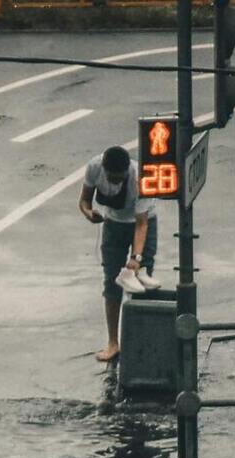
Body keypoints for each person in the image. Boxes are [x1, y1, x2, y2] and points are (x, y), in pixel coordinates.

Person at [77, 144, 162, 363]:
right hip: (113, 223)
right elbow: (84, 200)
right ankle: (113, 342)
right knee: (111, 281)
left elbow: (142, 224)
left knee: (141, 280)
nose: (115, 182)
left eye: (119, 179)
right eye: (112, 178)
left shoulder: (139, 178)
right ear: (104, 170)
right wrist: (89, 213)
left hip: (143, 222)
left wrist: (136, 258)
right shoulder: (95, 167)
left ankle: (141, 342)